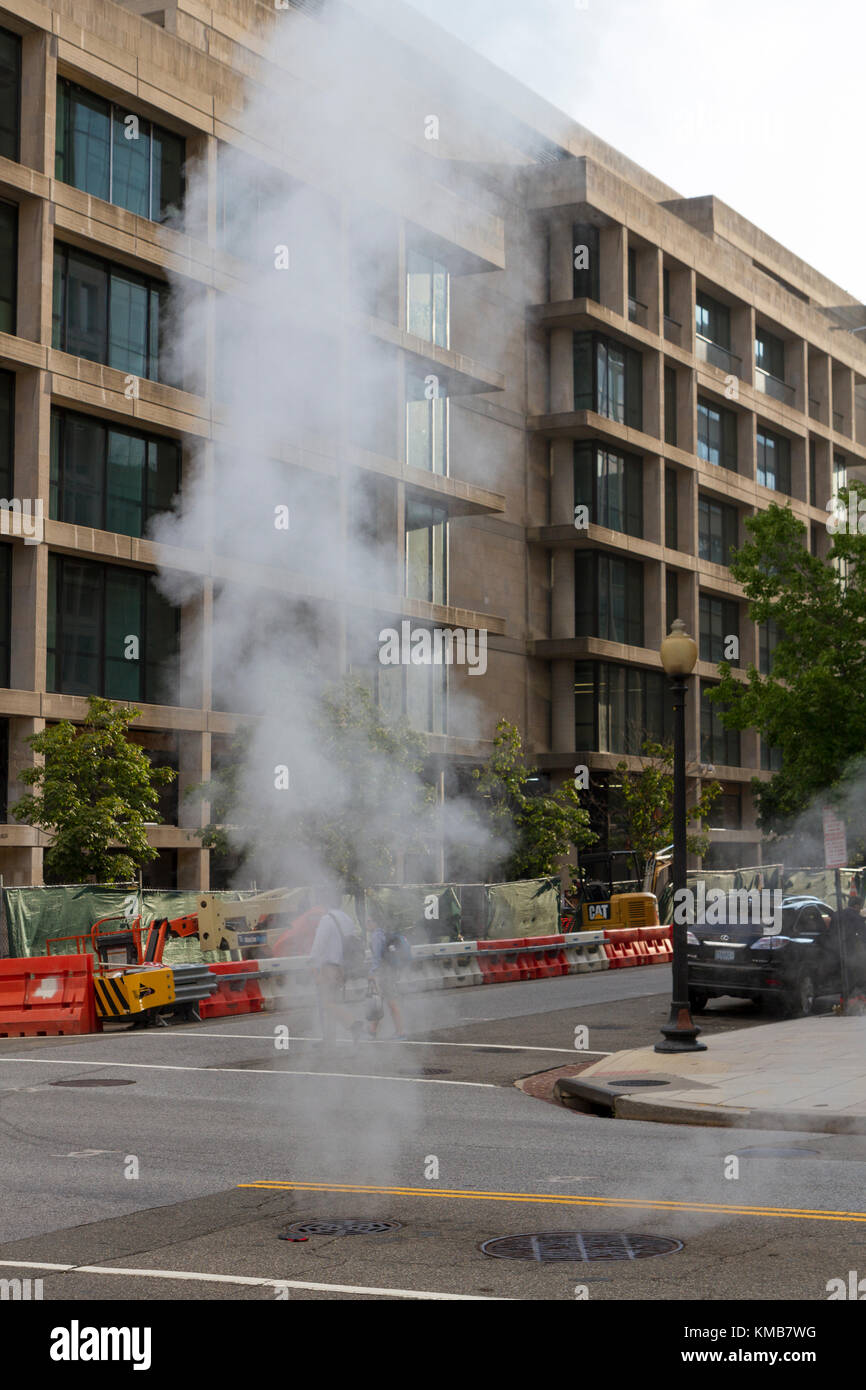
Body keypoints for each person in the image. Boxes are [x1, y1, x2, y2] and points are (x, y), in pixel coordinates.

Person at [310, 904, 364, 1051]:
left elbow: (318, 946)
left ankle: (353, 1024)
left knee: (327, 1004)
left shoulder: (327, 919)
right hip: (342, 967)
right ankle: (329, 1040)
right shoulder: (346, 918)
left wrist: (313, 965)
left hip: (329, 968)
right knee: (331, 1003)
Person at [364, 918, 407, 1040]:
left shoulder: (376, 936)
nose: (366, 924)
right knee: (379, 1000)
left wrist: (372, 972)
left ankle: (400, 1032)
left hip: (384, 973)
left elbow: (377, 957)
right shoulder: (384, 933)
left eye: (369, 921)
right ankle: (372, 1030)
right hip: (389, 971)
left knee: (390, 1001)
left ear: (374, 922)